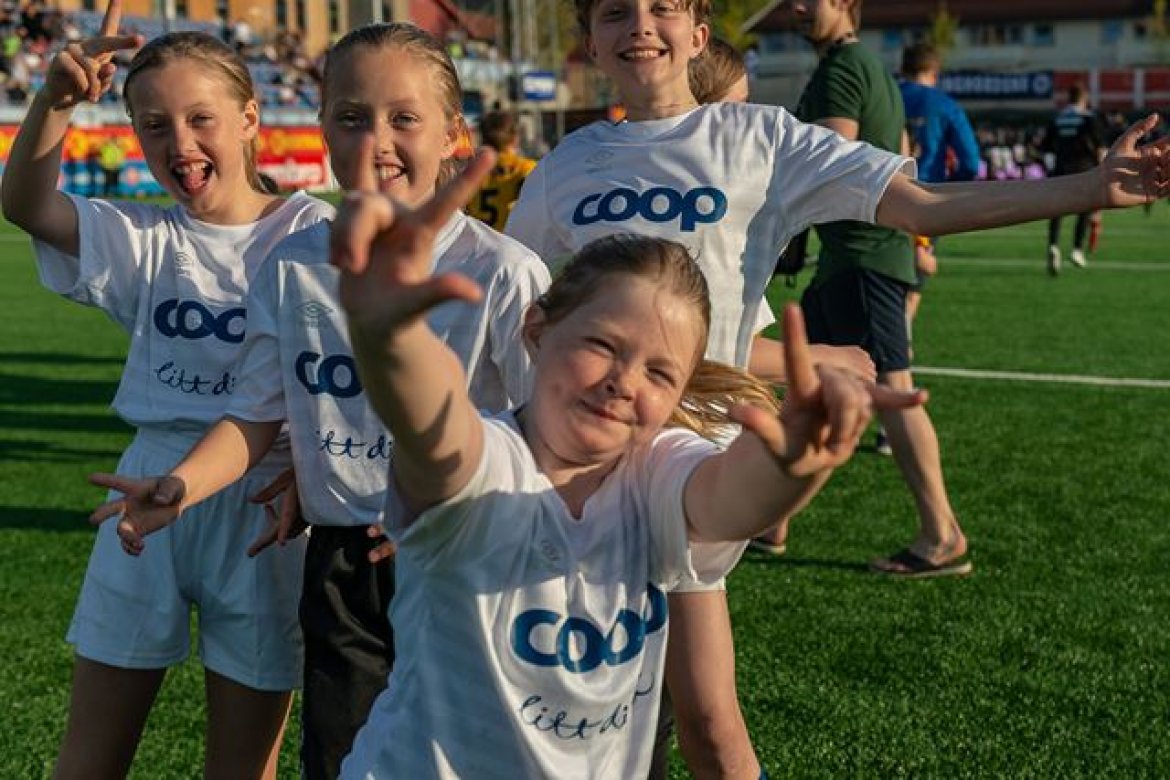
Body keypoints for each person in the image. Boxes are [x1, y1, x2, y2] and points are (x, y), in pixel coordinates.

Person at [507, 0, 1170, 585]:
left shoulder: (762, 139)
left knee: (686, 660)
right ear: (590, 44)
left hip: (701, 456)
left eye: (663, 9)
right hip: (588, 448)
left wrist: (1088, 187)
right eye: (615, 12)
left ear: (700, 35)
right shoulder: (565, 164)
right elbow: (513, 298)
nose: (640, 26)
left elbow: (921, 205)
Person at [332, 144, 922, 777]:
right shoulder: (489, 462)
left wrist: (797, 462)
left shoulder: (658, 467)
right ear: (536, 330)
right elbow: (435, 421)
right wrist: (389, 337)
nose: (624, 382)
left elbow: (730, 500)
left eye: (660, 373)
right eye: (602, 344)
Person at [86, 22, 550, 780]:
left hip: (469, 555)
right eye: (352, 117)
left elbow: (545, 433)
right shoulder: (294, 263)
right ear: (323, 128)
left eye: (404, 118)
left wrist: (450, 507)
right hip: (341, 567)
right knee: (344, 762)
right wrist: (180, 487)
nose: (376, 141)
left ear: (454, 135)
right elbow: (254, 412)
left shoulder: (502, 272)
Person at [0, 4, 334, 776]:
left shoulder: (314, 235)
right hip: (143, 494)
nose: (179, 143)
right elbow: (25, 205)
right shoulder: (145, 238)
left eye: (200, 118)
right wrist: (55, 100)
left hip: (267, 506)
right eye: (154, 127)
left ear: (250, 118)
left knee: (242, 767)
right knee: (89, 760)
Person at [1042, 83, 1107, 274]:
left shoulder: (1058, 118)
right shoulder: (1089, 118)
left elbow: (1046, 146)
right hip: (1083, 168)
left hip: (1061, 168)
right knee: (1084, 209)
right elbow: (1100, 147)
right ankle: (1077, 249)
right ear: (1084, 98)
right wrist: (1103, 172)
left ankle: (1053, 245)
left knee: (1056, 210)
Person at [465, 109, 538, 231]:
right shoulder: (525, 168)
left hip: (478, 238)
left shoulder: (470, 170)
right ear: (515, 138)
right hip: (510, 238)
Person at [97, 133, 125, 197]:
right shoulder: (107, 147)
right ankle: (107, 193)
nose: (117, 141)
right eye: (116, 140)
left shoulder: (118, 147)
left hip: (115, 166)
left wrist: (119, 163)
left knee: (115, 181)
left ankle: (113, 192)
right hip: (108, 166)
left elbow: (120, 156)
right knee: (108, 181)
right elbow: (101, 154)